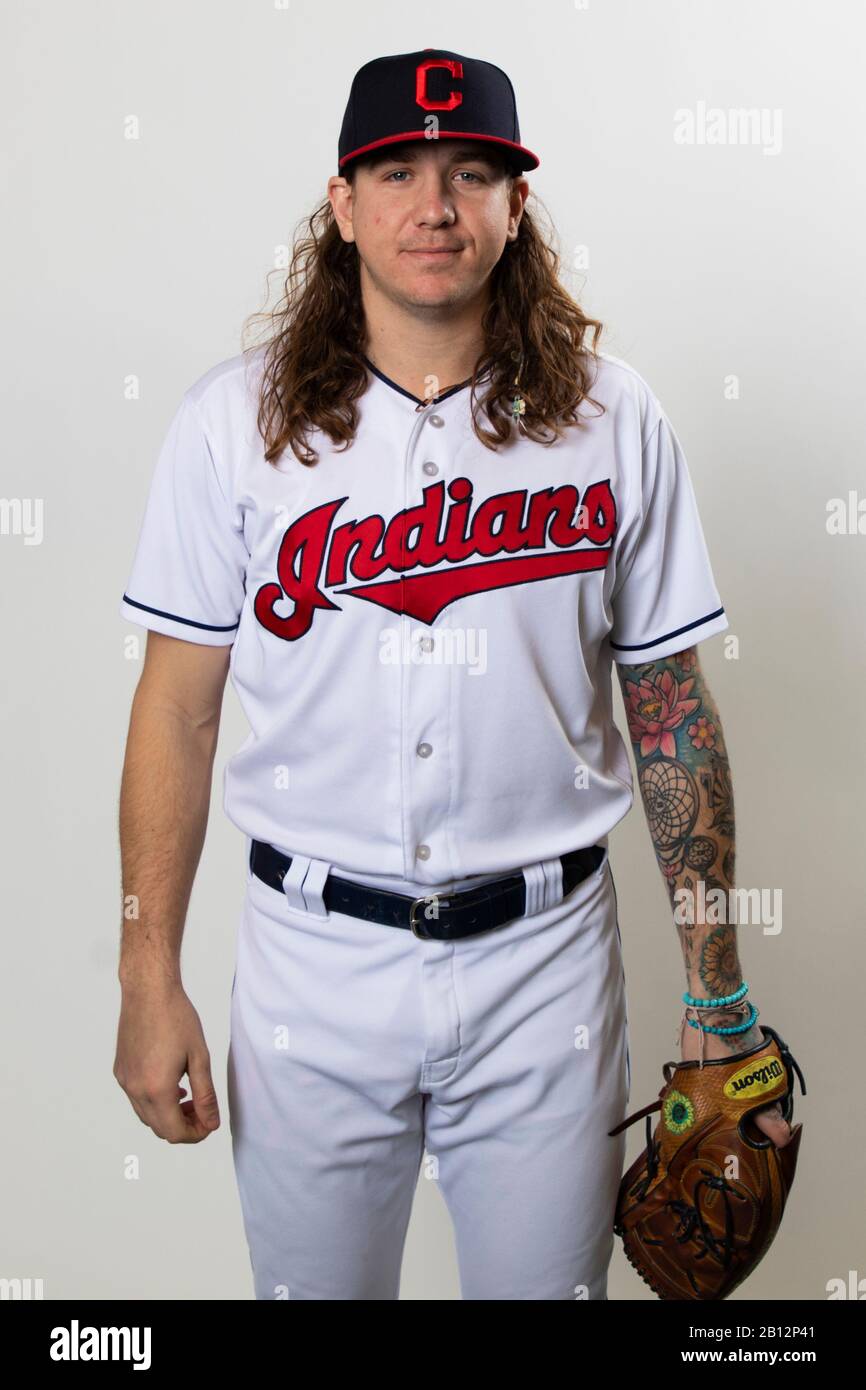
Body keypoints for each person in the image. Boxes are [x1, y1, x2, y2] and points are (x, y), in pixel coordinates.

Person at [114, 47, 792, 1301]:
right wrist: (145, 974)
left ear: (514, 206)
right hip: (307, 969)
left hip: (544, 971)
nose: (434, 205)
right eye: (398, 172)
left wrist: (720, 993)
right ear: (343, 203)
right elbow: (175, 708)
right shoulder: (231, 425)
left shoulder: (610, 416)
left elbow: (666, 707)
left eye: (471, 172)